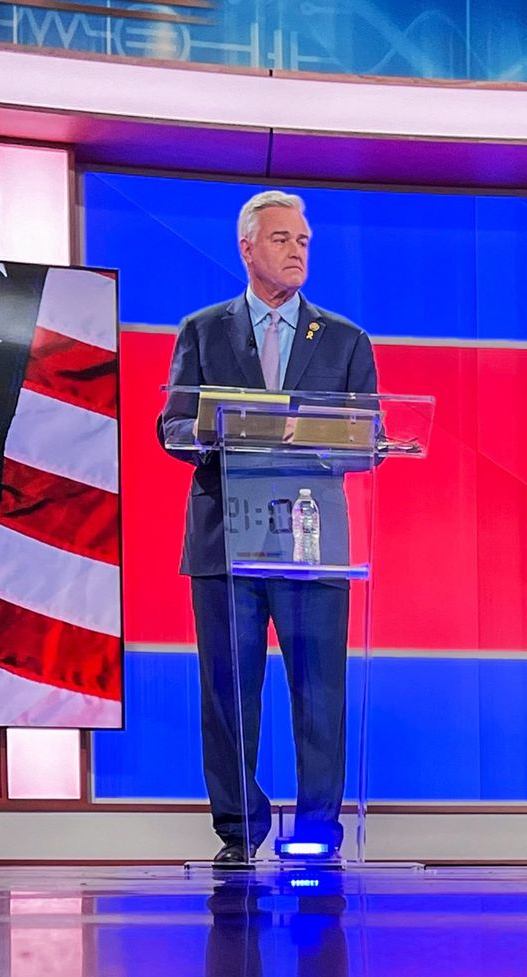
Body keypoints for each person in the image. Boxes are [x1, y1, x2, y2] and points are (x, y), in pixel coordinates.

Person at [158, 190, 379, 865]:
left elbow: (367, 439)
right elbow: (171, 428)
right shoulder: (202, 330)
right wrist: (229, 436)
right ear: (247, 248)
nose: (296, 251)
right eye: (282, 239)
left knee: (319, 695)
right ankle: (240, 831)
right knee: (229, 694)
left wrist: (301, 434)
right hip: (226, 542)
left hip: (312, 546)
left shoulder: (345, 340)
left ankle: (316, 833)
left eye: (304, 241)